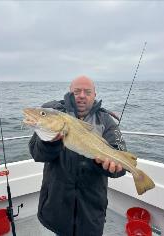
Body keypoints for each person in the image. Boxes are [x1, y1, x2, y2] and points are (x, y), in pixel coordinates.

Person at [28, 75, 127, 236]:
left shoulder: (106, 121)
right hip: (56, 209)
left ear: (94, 94)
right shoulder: (54, 114)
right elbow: (36, 153)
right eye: (77, 91)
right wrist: (51, 142)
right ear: (70, 92)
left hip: (91, 214)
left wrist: (110, 167)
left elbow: (120, 160)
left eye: (87, 92)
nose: (82, 95)